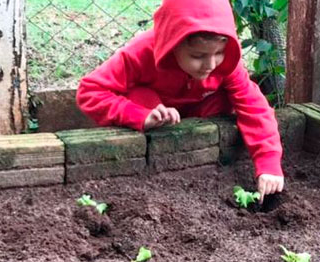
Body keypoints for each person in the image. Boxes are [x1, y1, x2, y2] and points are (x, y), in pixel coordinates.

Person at [76, 0, 284, 201]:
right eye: (197, 56)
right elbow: (89, 91)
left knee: (228, 98)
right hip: (155, 119)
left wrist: (268, 163)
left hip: (199, 118)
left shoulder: (226, 64)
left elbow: (254, 106)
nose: (210, 64)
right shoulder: (141, 52)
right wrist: (140, 115)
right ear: (172, 44)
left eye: (219, 52)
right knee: (139, 95)